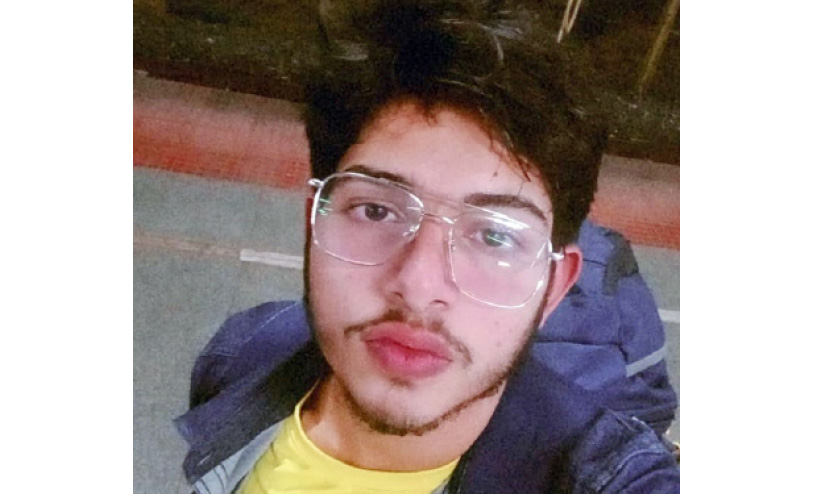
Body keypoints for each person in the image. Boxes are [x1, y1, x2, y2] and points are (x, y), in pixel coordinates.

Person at [175, 1, 679, 492]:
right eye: (376, 210)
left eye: (495, 235)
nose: (418, 288)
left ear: (553, 288)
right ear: (314, 221)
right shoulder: (243, 353)